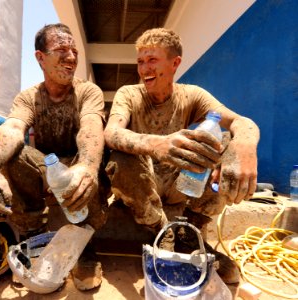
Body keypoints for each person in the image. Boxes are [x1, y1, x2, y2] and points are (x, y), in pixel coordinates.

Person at [104, 28, 260, 284]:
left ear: (175, 63)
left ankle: (192, 232)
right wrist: (157, 144)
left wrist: (244, 145)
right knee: (121, 158)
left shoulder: (193, 95)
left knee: (225, 142)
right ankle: (160, 231)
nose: (144, 69)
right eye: (141, 62)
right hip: (143, 186)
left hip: (180, 186)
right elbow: (111, 133)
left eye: (152, 60)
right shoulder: (128, 94)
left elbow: (240, 122)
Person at [0, 23, 109, 291]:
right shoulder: (28, 97)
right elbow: (12, 129)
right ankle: (32, 238)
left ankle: (84, 246)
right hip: (47, 167)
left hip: (77, 165)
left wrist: (88, 167)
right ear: (40, 57)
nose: (71, 57)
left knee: (93, 164)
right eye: (61, 50)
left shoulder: (87, 91)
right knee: (15, 155)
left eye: (74, 51)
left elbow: (91, 127)